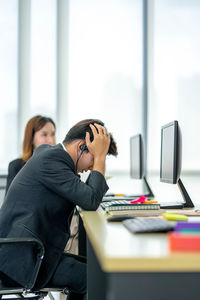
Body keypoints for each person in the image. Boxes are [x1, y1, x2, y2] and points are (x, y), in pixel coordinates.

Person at [0, 119, 118, 300]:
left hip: (33, 252)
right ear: (82, 147)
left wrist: (98, 157)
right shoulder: (52, 161)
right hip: (22, 260)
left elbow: (86, 195)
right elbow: (91, 200)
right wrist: (101, 159)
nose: (93, 167)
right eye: (95, 158)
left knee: (95, 268)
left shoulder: (52, 156)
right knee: (95, 277)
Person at [5, 115, 56, 193]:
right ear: (31, 138)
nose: (51, 140)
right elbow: (10, 203)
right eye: (44, 134)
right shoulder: (16, 166)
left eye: (53, 134)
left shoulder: (58, 166)